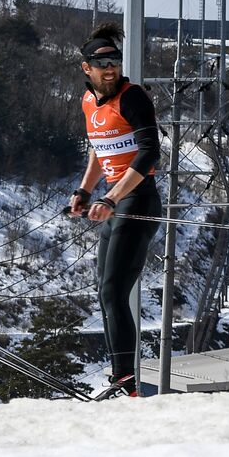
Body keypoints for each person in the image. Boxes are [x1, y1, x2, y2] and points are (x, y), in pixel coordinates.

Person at [68, 23, 162, 397]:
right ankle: (121, 377)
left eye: (115, 63)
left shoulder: (133, 96)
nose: (111, 69)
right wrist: (85, 190)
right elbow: (98, 149)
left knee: (113, 291)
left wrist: (111, 197)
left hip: (137, 199)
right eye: (101, 64)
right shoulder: (89, 101)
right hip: (113, 199)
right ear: (86, 68)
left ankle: (126, 381)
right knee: (104, 292)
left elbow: (149, 152)